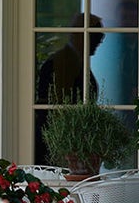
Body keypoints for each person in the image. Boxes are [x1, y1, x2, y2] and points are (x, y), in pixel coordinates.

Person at [34, 13, 104, 164]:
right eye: (97, 36)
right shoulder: (61, 64)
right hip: (57, 149)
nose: (100, 41)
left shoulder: (70, 62)